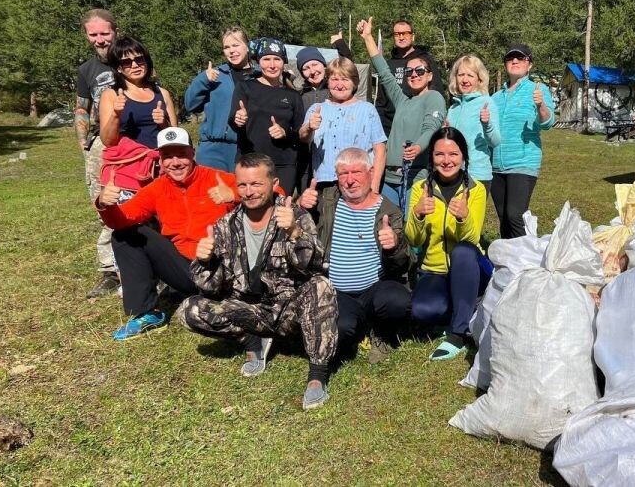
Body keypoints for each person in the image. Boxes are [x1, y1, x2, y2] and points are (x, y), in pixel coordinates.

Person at [178, 153, 338, 410]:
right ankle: (253, 341)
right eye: (242, 185)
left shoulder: (294, 215)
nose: (249, 192)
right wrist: (205, 260)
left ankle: (317, 375)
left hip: (289, 311)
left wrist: (295, 233)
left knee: (320, 285)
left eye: (256, 184)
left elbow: (318, 265)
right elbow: (211, 287)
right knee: (190, 310)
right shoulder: (225, 225)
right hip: (250, 310)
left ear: (274, 183)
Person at [97, 127, 238, 340]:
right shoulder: (157, 188)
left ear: (193, 152)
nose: (175, 162)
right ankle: (147, 313)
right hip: (184, 269)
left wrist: (235, 195)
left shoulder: (218, 178)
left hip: (220, 268)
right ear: (160, 161)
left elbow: (273, 194)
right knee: (124, 235)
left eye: (181, 154)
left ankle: (226, 298)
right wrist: (106, 205)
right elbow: (121, 220)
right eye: (167, 156)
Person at [300, 148, 411, 364]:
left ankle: (381, 332)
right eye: (344, 174)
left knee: (397, 301)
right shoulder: (326, 203)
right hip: (337, 291)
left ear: (370, 172)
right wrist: (301, 207)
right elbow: (298, 234)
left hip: (374, 288)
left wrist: (394, 246)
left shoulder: (389, 211)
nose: (350, 180)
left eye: (356, 172)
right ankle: (358, 327)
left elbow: (403, 264)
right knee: (341, 329)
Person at [405, 128, 491, 360]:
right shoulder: (420, 189)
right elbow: (413, 240)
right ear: (431, 157)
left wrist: (463, 218)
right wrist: (417, 214)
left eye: (453, 154)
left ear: (463, 156)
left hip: (471, 267)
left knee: (463, 251)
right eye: (439, 154)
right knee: (422, 311)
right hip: (435, 271)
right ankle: (466, 307)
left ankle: (458, 333)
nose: (446, 161)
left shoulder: (476, 190)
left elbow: (472, 241)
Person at [356, 17, 445, 215]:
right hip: (389, 178)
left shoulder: (434, 98)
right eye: (409, 71)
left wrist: (418, 147)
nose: (414, 74)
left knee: (413, 228)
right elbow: (384, 73)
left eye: (420, 70)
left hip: (414, 175)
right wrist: (368, 38)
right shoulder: (402, 100)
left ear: (430, 75)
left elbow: (432, 127)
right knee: (389, 227)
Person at [75, 8, 119, 298]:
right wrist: (82, 140)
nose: (100, 39)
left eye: (105, 33)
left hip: (131, 140)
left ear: (115, 31)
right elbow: (81, 107)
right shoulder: (86, 70)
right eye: (94, 34)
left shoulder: (131, 58)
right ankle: (109, 270)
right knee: (103, 201)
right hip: (100, 144)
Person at [490, 44, 556, 239]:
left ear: (529, 65)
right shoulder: (495, 97)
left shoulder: (538, 89)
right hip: (496, 166)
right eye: (511, 58)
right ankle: (507, 263)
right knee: (503, 217)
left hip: (522, 163)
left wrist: (540, 105)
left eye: (521, 58)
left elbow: (548, 123)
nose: (515, 61)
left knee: (515, 215)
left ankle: (525, 260)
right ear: (505, 64)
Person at [300, 57, 386, 198]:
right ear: (327, 81)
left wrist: (374, 187)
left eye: (345, 79)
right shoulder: (316, 109)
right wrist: (309, 127)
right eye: (334, 79)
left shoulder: (367, 110)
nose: (339, 85)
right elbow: (303, 138)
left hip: (359, 184)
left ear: (354, 82)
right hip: (326, 186)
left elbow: (380, 150)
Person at [230, 37, 303, 195]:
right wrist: (238, 119)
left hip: (283, 165)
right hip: (251, 162)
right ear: (257, 61)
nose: (272, 65)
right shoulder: (245, 87)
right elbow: (233, 122)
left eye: (277, 59)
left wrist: (285, 133)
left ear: (283, 62)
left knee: (280, 213)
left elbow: (301, 134)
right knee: (252, 210)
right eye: (266, 59)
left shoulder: (293, 96)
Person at [184, 26, 256, 172]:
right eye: (226, 47)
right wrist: (203, 79)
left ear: (247, 47)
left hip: (250, 149)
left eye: (236, 45)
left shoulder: (261, 75)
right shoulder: (216, 75)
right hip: (214, 150)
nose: (231, 51)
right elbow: (190, 105)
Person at [294, 31, 354, 192]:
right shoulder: (301, 95)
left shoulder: (335, 87)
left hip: (332, 155)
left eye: (314, 64)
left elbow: (347, 62)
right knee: (307, 196)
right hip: (307, 156)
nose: (312, 71)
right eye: (305, 68)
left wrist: (339, 42)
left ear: (323, 64)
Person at [99, 37, 177, 148]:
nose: (135, 65)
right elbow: (108, 142)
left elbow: (175, 136)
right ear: (118, 68)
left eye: (139, 59)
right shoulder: (110, 95)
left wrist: (164, 123)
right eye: (126, 62)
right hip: (130, 161)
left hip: (161, 160)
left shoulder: (162, 93)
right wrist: (115, 114)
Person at [373, 19, 445, 137]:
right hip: (390, 128)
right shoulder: (389, 64)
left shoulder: (425, 60)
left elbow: (437, 92)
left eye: (405, 33)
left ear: (413, 36)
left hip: (418, 126)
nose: (401, 37)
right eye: (397, 34)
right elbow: (381, 100)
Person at [445, 55, 500, 190]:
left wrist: (486, 124)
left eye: (470, 75)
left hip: (477, 174)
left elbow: (495, 141)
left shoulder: (486, 103)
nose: (464, 80)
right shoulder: (453, 108)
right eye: (461, 75)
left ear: (479, 79)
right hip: (452, 173)